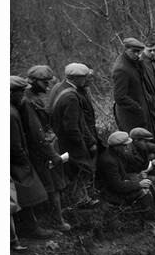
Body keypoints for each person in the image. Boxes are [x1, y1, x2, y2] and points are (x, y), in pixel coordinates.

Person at [21, 65, 70, 232]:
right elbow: (37, 133)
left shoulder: (34, 95)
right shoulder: (28, 100)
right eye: (45, 83)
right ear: (34, 81)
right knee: (51, 185)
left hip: (46, 147)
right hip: (41, 151)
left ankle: (56, 218)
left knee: (55, 184)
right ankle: (56, 221)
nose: (48, 87)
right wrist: (52, 154)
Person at [97, 131, 155, 238]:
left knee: (150, 183)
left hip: (122, 183)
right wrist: (138, 184)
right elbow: (116, 186)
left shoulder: (117, 154)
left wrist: (137, 179)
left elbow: (124, 174)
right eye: (125, 146)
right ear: (117, 147)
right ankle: (150, 225)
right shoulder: (109, 161)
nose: (127, 148)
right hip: (111, 192)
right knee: (143, 191)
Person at [49, 62, 100, 209]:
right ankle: (81, 200)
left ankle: (77, 198)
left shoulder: (59, 87)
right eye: (84, 78)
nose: (86, 81)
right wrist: (83, 144)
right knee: (81, 168)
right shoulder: (71, 96)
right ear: (76, 78)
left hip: (59, 137)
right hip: (70, 141)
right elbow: (73, 126)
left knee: (71, 170)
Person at [10, 76, 54, 239]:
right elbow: (14, 144)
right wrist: (23, 159)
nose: (22, 96)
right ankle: (32, 228)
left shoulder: (12, 109)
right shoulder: (11, 113)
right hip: (16, 161)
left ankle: (26, 227)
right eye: (19, 93)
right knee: (28, 191)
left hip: (15, 159)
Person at [112, 37, 152, 134]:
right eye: (134, 51)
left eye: (139, 52)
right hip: (130, 115)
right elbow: (120, 97)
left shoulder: (134, 63)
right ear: (125, 50)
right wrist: (138, 108)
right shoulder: (121, 69)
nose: (137, 54)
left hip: (138, 112)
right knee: (136, 143)